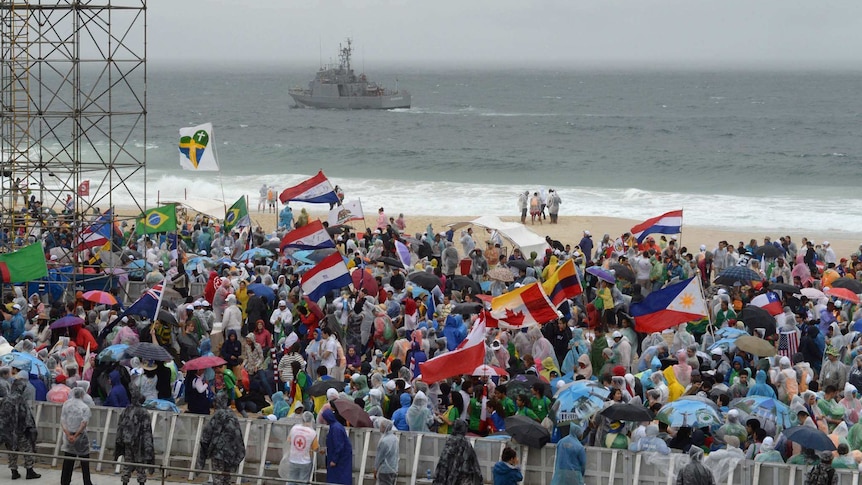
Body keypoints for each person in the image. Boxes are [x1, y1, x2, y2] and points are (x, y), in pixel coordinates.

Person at [197, 392, 246, 485]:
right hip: (231, 452)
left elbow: (206, 434)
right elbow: (237, 434)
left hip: (218, 453)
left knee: (218, 478)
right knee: (226, 479)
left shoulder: (218, 415)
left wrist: (204, 451)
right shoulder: (232, 415)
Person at [0, 379, 40, 480]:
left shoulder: (5, 399)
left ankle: (14, 471)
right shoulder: (20, 399)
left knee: (11, 450)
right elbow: (26, 416)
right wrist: (30, 429)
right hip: (20, 430)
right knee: (27, 450)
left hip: (8, 431)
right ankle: (29, 470)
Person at [114, 389, 155, 485]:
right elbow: (147, 431)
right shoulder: (144, 412)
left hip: (127, 441)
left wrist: (119, 440)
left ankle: (125, 481)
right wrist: (148, 447)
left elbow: (120, 426)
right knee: (140, 464)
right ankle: (141, 482)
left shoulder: (126, 410)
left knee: (127, 463)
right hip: (139, 443)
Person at [432, 420, 483, 485]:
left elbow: (443, 462)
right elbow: (474, 464)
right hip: (461, 479)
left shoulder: (449, 441)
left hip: (447, 477)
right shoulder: (465, 443)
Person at [60, 387, 93, 485]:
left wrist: (69, 435)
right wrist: (76, 435)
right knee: (84, 461)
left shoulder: (66, 404)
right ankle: (87, 482)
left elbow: (63, 420)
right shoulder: (84, 407)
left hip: (68, 435)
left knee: (68, 460)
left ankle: (64, 481)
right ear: (83, 395)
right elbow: (84, 423)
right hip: (81, 437)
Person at [280, 411, 318, 485]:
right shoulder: (312, 433)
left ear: (302, 419)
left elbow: (289, 441)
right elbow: (315, 448)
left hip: (293, 459)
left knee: (291, 480)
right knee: (303, 482)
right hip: (305, 462)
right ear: (311, 420)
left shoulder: (294, 428)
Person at [321, 408, 353, 485]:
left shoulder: (335, 428)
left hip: (340, 460)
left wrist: (334, 460)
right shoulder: (335, 426)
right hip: (338, 457)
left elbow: (339, 445)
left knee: (337, 479)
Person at [374, 418, 399, 485]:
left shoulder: (383, 441)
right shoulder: (395, 438)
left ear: (384, 428)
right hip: (393, 468)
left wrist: (375, 469)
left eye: (381, 426)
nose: (380, 427)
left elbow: (379, 457)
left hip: (385, 469)